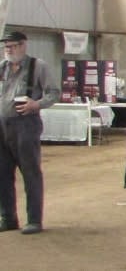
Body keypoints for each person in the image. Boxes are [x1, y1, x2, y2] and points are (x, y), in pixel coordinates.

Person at [0, 31, 60, 235]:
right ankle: (8, 219)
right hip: (2, 125)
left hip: (25, 125)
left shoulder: (38, 66)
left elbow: (54, 92)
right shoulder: (2, 67)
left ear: (23, 45)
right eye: (6, 46)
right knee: (2, 174)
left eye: (12, 45)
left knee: (30, 172)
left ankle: (34, 220)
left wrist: (36, 104)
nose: (8, 49)